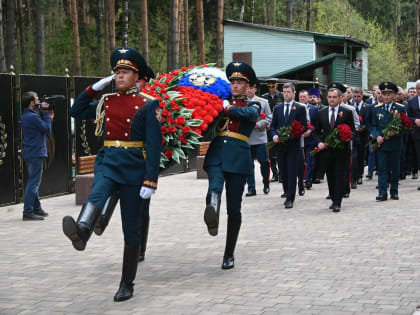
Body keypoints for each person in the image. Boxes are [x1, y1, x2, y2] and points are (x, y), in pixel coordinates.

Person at [62, 47, 162, 302]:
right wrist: (94, 88)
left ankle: (127, 283)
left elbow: (153, 145)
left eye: (125, 71)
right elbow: (76, 112)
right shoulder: (106, 101)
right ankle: (82, 231)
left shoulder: (148, 105)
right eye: (117, 71)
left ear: (135, 74)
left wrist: (150, 181)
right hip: (108, 162)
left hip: (133, 169)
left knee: (131, 229)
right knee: (97, 193)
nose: (119, 75)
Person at [203, 61, 261, 270]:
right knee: (215, 186)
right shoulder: (219, 102)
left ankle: (229, 253)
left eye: (239, 82)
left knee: (234, 209)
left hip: (238, 157)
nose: (235, 85)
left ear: (248, 86)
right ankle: (212, 209)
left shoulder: (253, 105)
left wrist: (227, 108)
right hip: (218, 152)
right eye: (233, 82)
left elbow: (250, 116)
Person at [313, 83, 355, 212]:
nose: (331, 99)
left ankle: (338, 201)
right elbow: (316, 131)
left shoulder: (347, 112)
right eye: (329, 97)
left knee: (340, 175)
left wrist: (347, 137)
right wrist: (319, 142)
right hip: (327, 150)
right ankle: (333, 197)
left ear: (340, 98)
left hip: (342, 150)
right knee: (330, 176)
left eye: (334, 97)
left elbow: (352, 130)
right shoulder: (321, 113)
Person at [271, 83, 307, 209]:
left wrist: (296, 133)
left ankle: (290, 198)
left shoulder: (300, 108)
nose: (286, 94)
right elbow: (273, 126)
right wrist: (274, 135)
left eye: (288, 92)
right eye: (284, 92)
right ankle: (286, 190)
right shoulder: (278, 108)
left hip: (293, 145)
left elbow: (304, 126)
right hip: (280, 146)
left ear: (293, 93)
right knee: (283, 171)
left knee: (292, 171)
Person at [21, 92, 53, 220]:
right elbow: (46, 129)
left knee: (33, 181)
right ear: (32, 103)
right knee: (33, 183)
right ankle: (28, 211)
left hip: (31, 152)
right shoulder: (32, 117)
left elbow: (42, 129)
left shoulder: (28, 115)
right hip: (35, 152)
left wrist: (47, 117)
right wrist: (45, 113)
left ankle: (36, 208)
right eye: (37, 99)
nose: (39, 101)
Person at [371, 81, 406, 201]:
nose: (386, 97)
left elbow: (405, 125)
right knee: (382, 169)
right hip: (382, 143)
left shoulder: (400, 108)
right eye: (384, 94)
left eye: (389, 94)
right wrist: (377, 136)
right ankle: (382, 193)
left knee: (395, 169)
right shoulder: (376, 109)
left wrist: (397, 131)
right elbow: (373, 126)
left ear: (394, 95)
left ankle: (394, 191)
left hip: (395, 143)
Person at [245, 82, 272, 196]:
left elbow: (269, 117)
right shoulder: (242, 102)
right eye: (247, 88)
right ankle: (251, 187)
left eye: (251, 88)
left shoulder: (263, 102)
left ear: (255, 89)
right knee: (248, 164)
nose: (249, 90)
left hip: (260, 137)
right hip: (246, 137)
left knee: (264, 162)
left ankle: (266, 182)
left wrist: (260, 124)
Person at [262, 78, 283, 183]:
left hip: (280, 128)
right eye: (269, 87)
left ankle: (282, 174)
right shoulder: (264, 97)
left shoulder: (282, 96)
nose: (271, 89)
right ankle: (275, 174)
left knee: (280, 151)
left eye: (273, 86)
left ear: (276, 85)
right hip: (269, 128)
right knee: (271, 153)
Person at [299, 89, 318, 190]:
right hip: (300, 138)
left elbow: (317, 124)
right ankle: (301, 179)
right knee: (301, 161)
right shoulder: (295, 107)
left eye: (304, 97)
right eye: (301, 97)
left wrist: (311, 130)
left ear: (308, 98)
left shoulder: (314, 109)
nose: (302, 98)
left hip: (311, 139)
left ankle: (308, 180)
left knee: (310, 160)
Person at [352, 87, 370, 185]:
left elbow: (368, 121)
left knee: (361, 156)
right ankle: (354, 176)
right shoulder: (350, 106)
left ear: (362, 96)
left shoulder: (367, 107)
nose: (356, 98)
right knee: (354, 157)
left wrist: (364, 127)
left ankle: (360, 175)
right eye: (355, 96)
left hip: (363, 135)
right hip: (354, 135)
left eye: (358, 96)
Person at [407, 79, 420, 190]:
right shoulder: (411, 101)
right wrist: (414, 120)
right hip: (417, 133)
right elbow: (408, 117)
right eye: (418, 88)